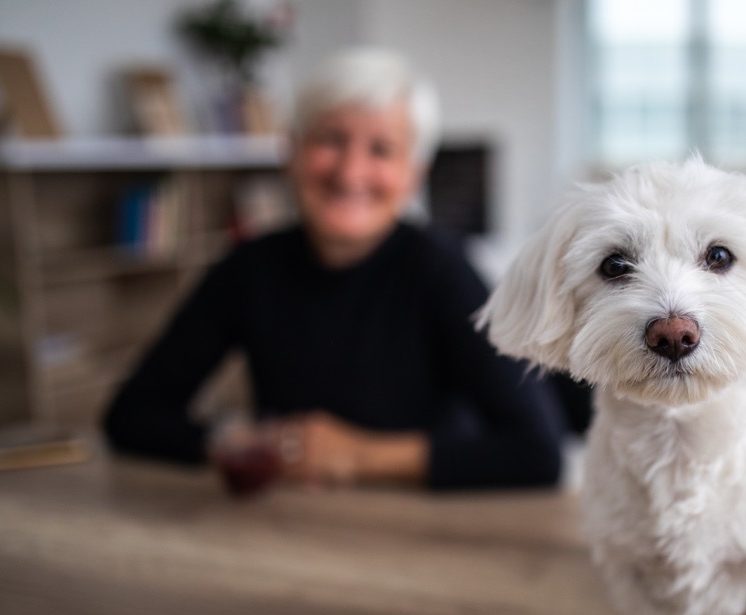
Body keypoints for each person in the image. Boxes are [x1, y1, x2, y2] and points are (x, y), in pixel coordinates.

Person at [103, 48, 564, 491]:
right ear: (292, 152)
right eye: (331, 140)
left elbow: (539, 451)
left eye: (381, 149)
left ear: (413, 174)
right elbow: (130, 416)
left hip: (422, 531)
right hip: (289, 522)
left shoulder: (442, 269)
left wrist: (359, 456)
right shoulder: (246, 268)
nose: (350, 172)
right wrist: (228, 439)